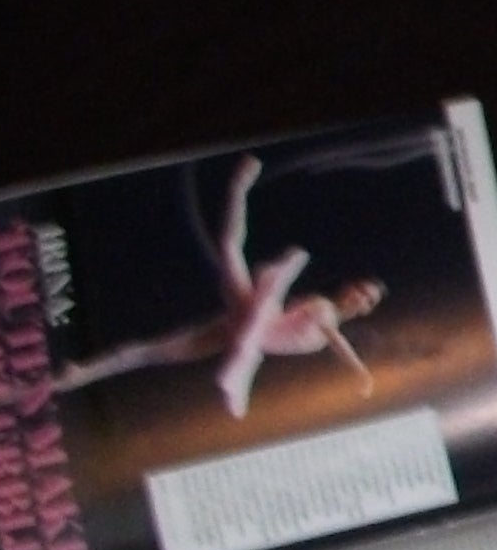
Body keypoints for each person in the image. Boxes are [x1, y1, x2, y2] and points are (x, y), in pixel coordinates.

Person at [51, 152, 386, 414]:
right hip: (253, 316)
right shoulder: (325, 312)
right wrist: (360, 372)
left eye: (367, 299)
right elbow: (335, 340)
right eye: (361, 290)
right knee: (228, 248)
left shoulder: (325, 326)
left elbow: (310, 338)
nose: (359, 297)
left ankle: (80, 374)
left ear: (366, 310)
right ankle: (239, 186)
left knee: (154, 352)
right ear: (348, 287)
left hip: (242, 335)